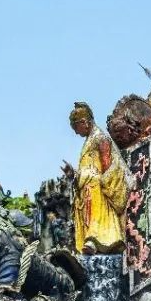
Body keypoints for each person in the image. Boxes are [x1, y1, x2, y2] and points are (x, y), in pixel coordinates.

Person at [63, 102, 128, 255]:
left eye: (76, 128)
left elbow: (107, 165)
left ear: (84, 123)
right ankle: (91, 241)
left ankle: (96, 239)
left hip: (98, 187)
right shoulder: (89, 140)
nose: (76, 133)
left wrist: (104, 182)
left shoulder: (100, 138)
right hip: (87, 185)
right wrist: (74, 174)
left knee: (97, 210)